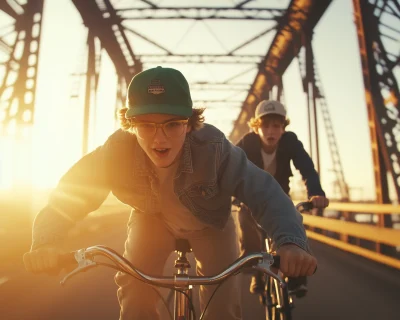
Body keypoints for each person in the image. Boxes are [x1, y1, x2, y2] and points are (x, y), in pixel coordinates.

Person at [23, 67, 317, 320]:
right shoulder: (116, 151)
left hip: (212, 224)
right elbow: (72, 193)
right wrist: (46, 241)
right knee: (134, 292)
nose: (159, 138)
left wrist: (290, 242)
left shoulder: (215, 149)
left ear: (189, 125)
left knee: (223, 304)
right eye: (146, 125)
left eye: (172, 124)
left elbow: (264, 191)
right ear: (130, 124)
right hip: (151, 220)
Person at [235, 99, 329, 298]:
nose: (271, 131)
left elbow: (307, 168)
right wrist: (229, 195)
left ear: (283, 128)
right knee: (245, 218)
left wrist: (316, 192)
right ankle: (255, 268)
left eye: (276, 126)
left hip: (280, 198)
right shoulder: (247, 143)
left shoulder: (290, 141)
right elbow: (231, 168)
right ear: (256, 128)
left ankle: (297, 277)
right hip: (251, 198)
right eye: (265, 126)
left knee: (294, 220)